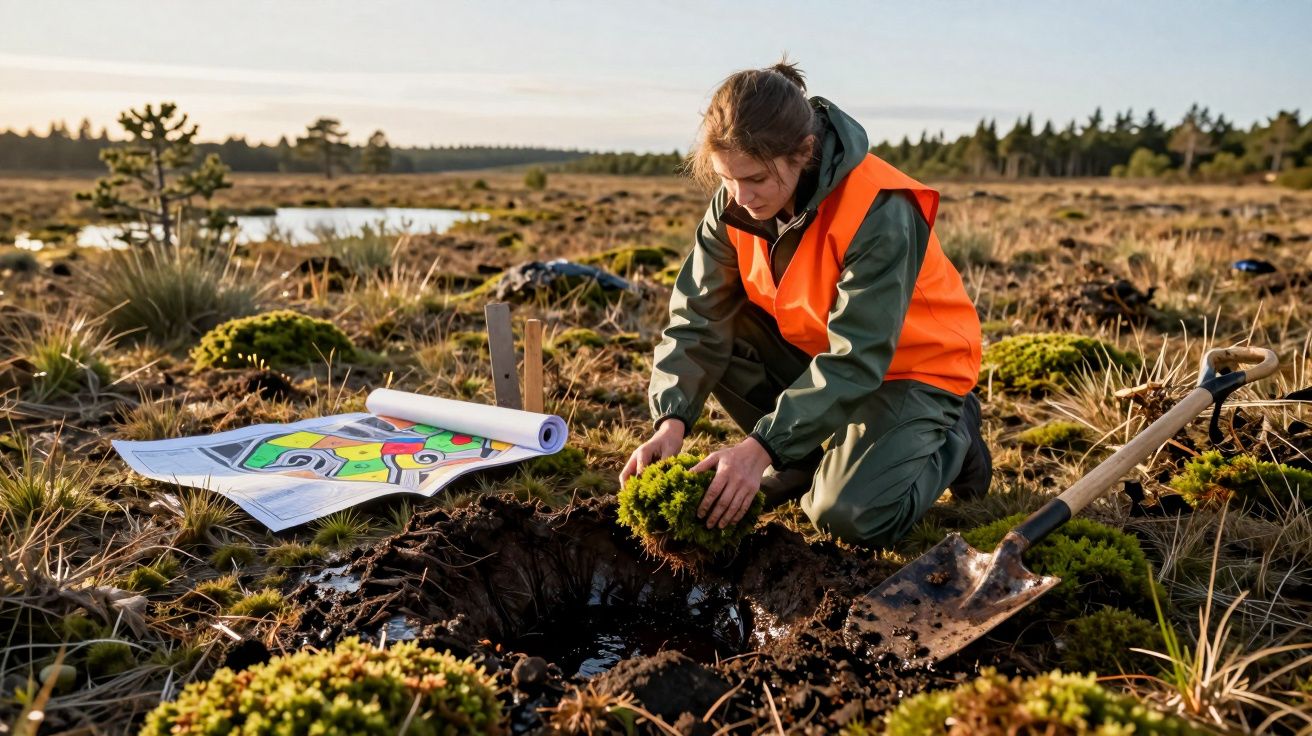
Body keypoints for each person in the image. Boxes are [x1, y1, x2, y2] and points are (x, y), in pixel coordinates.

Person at [618, 59, 991, 548]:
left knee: (846, 515)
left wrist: (759, 448)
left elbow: (858, 355)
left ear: (804, 152)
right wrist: (670, 420)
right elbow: (698, 319)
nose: (740, 197)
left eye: (755, 179)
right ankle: (809, 458)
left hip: (914, 369)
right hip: (824, 361)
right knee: (726, 328)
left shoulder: (879, 209)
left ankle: (952, 434)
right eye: (726, 178)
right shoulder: (735, 204)